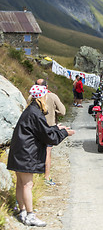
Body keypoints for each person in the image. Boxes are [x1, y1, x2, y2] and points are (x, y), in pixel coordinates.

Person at [7, 85, 75, 227]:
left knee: (20, 184)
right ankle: (30, 216)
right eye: (45, 96)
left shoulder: (30, 110)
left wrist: (57, 128)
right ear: (42, 97)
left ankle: (22, 212)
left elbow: (41, 131)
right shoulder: (36, 113)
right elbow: (48, 137)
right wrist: (63, 133)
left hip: (19, 152)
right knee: (27, 184)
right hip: (26, 154)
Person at [36, 79, 66, 185]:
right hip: (50, 127)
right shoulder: (52, 96)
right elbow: (63, 111)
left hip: (36, 127)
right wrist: (54, 111)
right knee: (47, 152)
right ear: (47, 86)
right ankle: (47, 177)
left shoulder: (32, 97)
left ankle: (36, 175)